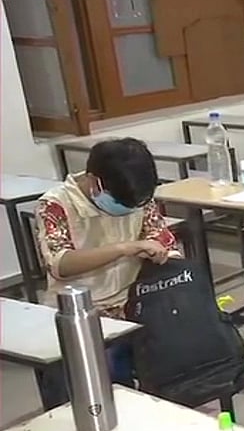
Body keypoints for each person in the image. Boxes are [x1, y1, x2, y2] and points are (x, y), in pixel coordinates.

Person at [34, 137, 179, 406]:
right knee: (91, 395)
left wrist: (158, 250)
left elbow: (163, 239)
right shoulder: (55, 205)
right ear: (95, 182)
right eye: (124, 204)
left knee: (164, 374)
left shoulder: (136, 196)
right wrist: (124, 247)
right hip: (79, 313)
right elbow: (60, 263)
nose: (129, 210)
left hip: (133, 306)